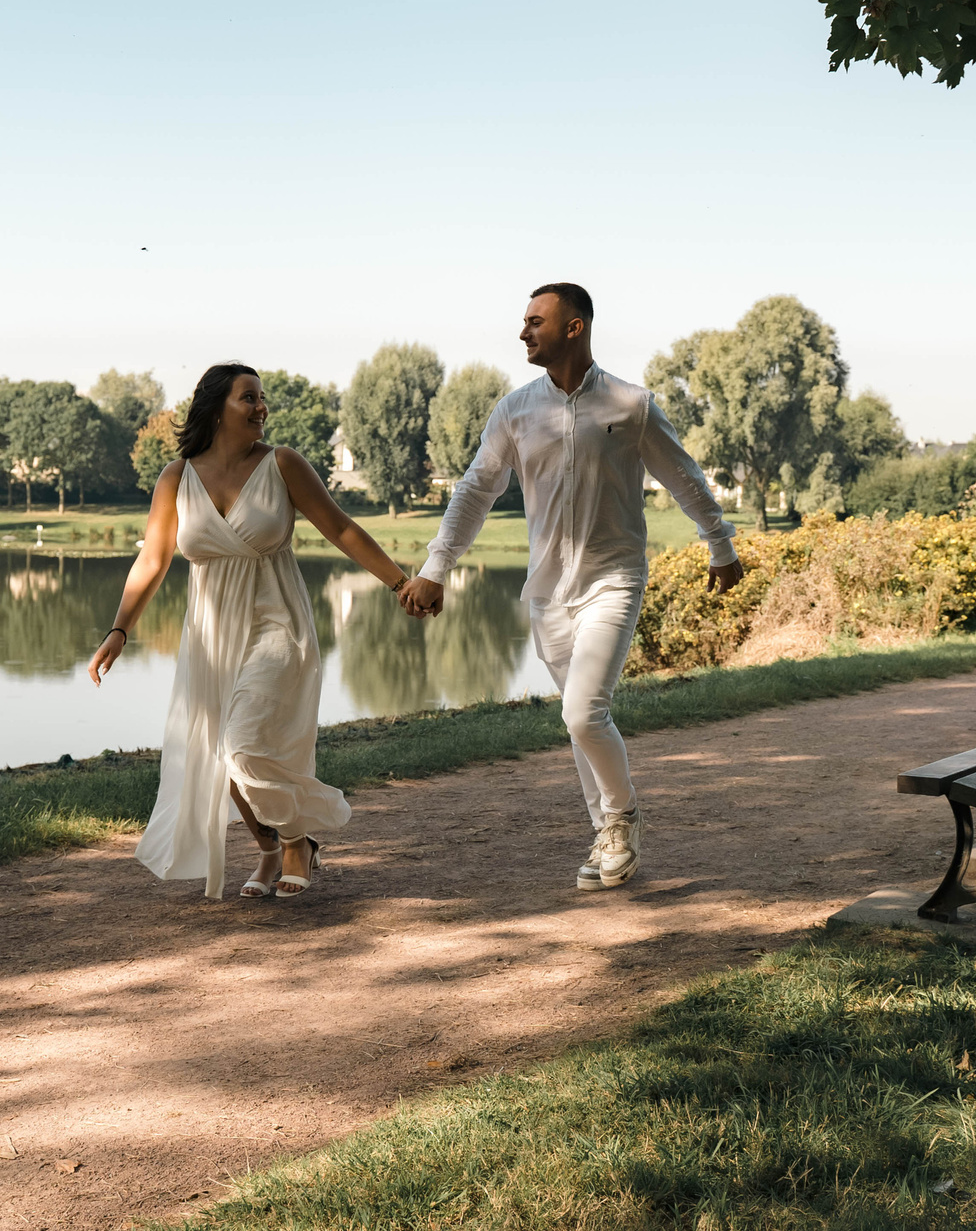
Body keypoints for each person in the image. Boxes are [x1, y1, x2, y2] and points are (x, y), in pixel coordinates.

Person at [400, 283, 743, 889]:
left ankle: (623, 818)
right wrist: (436, 566)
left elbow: (684, 477)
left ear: (574, 328)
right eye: (524, 321)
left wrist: (720, 544)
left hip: (614, 578)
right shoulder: (513, 410)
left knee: (585, 713)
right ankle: (607, 833)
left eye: (536, 321)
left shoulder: (629, 405)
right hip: (548, 592)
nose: (524, 331)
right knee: (575, 718)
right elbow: (476, 492)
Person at [90, 363, 421, 899]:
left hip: (278, 626)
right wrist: (119, 630)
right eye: (249, 398)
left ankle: (295, 839)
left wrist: (400, 583)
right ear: (217, 407)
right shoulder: (177, 477)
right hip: (211, 637)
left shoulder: (282, 464)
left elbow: (339, 527)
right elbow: (152, 560)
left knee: (241, 746)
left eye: (261, 398)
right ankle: (270, 849)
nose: (261, 407)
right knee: (222, 754)